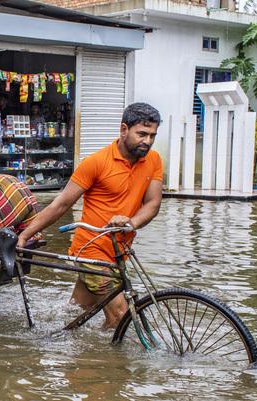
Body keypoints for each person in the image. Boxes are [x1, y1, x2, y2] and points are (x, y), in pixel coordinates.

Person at [16, 102, 164, 329]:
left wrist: (131, 222)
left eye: (152, 135)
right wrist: (25, 235)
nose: (147, 141)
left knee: (75, 314)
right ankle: (108, 362)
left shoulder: (153, 160)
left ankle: (56, 341)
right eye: (141, 134)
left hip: (119, 250)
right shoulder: (96, 162)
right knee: (121, 316)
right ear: (124, 129)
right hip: (92, 251)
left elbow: (153, 203)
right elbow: (61, 204)